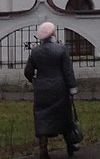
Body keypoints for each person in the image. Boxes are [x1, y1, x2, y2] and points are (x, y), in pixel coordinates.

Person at [24, 21, 79, 158]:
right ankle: (70, 146)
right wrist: (72, 88)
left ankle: (43, 150)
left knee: (42, 117)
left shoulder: (35, 51)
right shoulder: (61, 50)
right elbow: (68, 71)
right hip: (59, 89)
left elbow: (28, 72)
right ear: (53, 34)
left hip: (42, 90)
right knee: (65, 117)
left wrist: (35, 80)